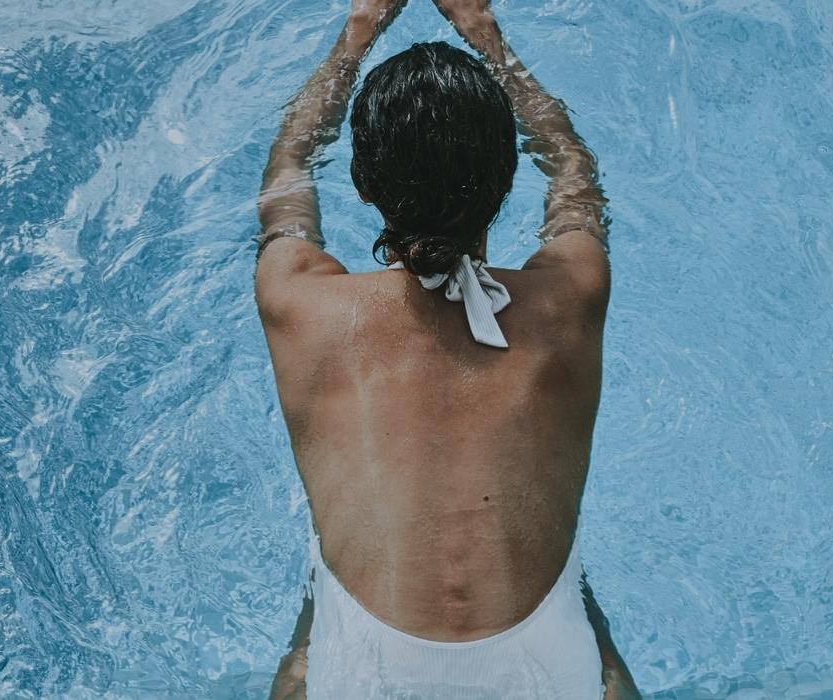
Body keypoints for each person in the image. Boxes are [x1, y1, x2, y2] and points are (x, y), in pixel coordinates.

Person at [253, 0, 635, 696]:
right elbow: (574, 172)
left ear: (364, 187)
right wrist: (488, 37)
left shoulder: (300, 305)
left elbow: (288, 165)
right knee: (592, 632)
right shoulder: (572, 295)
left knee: (311, 633)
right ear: (506, 182)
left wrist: (358, 33)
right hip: (543, 663)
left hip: (368, 668)